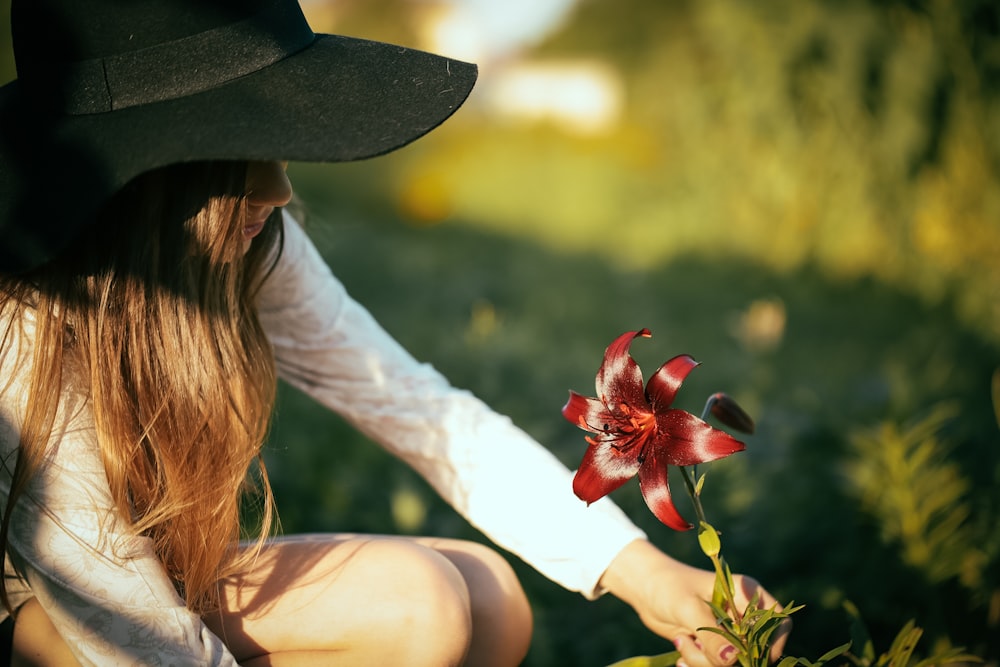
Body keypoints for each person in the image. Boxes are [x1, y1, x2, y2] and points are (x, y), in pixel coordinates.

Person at [0, 0, 790, 665]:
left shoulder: (246, 246)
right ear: (146, 173)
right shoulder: (21, 320)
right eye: (232, 152)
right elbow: (116, 605)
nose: (278, 187)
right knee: (419, 604)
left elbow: (420, 410)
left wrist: (643, 572)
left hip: (152, 583)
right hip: (47, 614)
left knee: (490, 597)